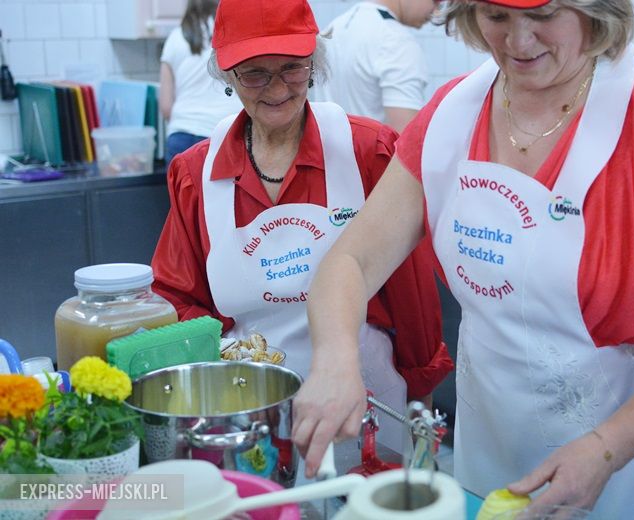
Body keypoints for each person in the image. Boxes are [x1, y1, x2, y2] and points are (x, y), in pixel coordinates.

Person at [292, 0, 634, 518]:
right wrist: (336, 360)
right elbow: (352, 261)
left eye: (544, 16)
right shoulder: (453, 114)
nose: (518, 42)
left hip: (632, 452)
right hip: (490, 440)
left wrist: (602, 449)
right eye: (496, 17)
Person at [151, 0, 453, 455]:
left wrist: (421, 400)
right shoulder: (196, 175)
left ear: (314, 64)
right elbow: (176, 296)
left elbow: (410, 293)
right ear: (227, 78)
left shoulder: (367, 151)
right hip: (250, 411)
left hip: (366, 404)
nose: (277, 89)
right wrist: (231, 358)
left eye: (292, 68)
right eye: (255, 73)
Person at [315, 0, 437, 132]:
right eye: (436, 1)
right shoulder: (397, 40)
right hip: (372, 152)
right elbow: (406, 139)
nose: (436, 11)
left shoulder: (332, 29)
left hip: (327, 150)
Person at [159, 0, 242, 165]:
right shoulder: (233, 33)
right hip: (223, 133)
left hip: (180, 136)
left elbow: (166, 106)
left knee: (184, 191)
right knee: (223, 192)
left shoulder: (175, 38)